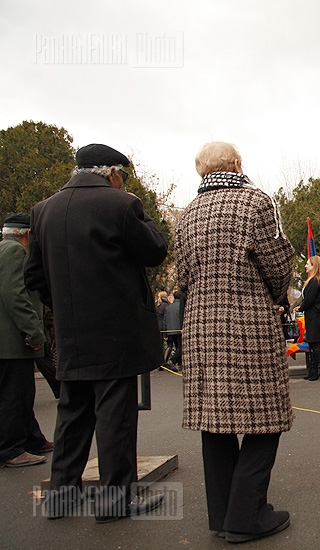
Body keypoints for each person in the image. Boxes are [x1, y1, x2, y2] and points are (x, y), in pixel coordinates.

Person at [24, 143, 167, 522]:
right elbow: (155, 250)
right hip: (116, 334)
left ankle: (60, 497)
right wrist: (141, 210)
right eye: (124, 176)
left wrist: (68, 309)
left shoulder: (43, 211)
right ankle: (115, 501)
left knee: (72, 415)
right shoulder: (121, 205)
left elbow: (33, 277)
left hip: (72, 333)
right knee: (114, 418)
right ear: (112, 172)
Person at [175, 141, 295, 543]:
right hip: (249, 324)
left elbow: (182, 277)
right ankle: (247, 516)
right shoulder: (257, 202)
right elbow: (278, 266)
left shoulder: (186, 214)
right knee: (266, 418)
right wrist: (276, 299)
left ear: (201, 172)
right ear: (238, 164)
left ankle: (224, 515)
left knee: (216, 421)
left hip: (201, 329)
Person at [0, 213, 52, 468]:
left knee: (22, 392)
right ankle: (11, 450)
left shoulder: (5, 249)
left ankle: (32, 439)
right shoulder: (14, 252)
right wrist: (33, 332)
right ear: (27, 234)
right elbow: (15, 295)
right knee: (14, 394)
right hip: (12, 341)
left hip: (10, 340)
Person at [296, 255, 320, 381]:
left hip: (315, 317)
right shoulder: (316, 280)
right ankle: (313, 370)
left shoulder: (316, 281)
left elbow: (309, 299)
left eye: (307, 264)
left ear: (314, 266)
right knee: (312, 344)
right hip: (313, 316)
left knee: (315, 345)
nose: (305, 266)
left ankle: (317, 370)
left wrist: (301, 307)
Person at [163, 291, 185, 371]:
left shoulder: (168, 307)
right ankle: (172, 361)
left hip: (170, 330)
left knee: (176, 347)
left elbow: (164, 320)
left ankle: (178, 363)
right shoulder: (182, 306)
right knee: (181, 347)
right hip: (179, 329)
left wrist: (165, 332)